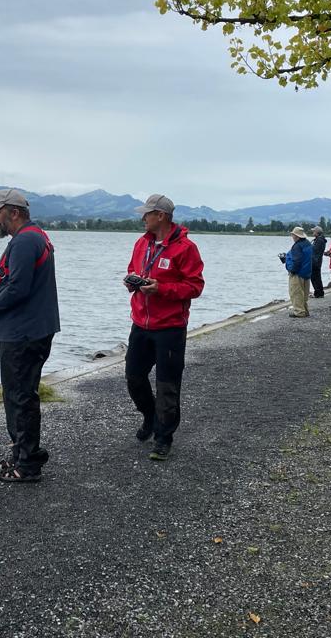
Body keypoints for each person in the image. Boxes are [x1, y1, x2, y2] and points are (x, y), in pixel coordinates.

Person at [0, 189, 60, 482]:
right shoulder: (35, 236)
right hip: (33, 328)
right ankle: (23, 454)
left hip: (23, 333)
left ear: (14, 212)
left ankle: (27, 464)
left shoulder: (25, 241)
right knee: (21, 395)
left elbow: (19, 288)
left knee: (20, 397)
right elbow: (18, 284)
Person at [124, 193, 204, 462]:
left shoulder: (186, 248)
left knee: (167, 384)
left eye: (147, 214)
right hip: (141, 323)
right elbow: (133, 268)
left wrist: (161, 289)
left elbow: (195, 287)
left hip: (170, 326)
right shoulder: (141, 243)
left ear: (161, 216)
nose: (143, 218)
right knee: (134, 377)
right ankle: (150, 416)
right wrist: (132, 282)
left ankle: (163, 438)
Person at [283, 227, 313, 317]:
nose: (292, 237)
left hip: (298, 273)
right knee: (304, 293)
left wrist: (292, 270)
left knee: (296, 292)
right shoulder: (308, 243)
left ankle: (299, 312)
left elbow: (297, 261)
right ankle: (305, 310)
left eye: (293, 235)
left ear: (297, 236)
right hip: (306, 272)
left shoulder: (297, 246)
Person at [309, 225, 326, 298]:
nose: (313, 232)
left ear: (317, 232)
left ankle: (319, 293)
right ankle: (318, 292)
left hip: (315, 261)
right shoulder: (318, 239)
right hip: (316, 261)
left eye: (314, 231)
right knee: (316, 277)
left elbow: (315, 250)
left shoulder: (319, 240)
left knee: (315, 277)